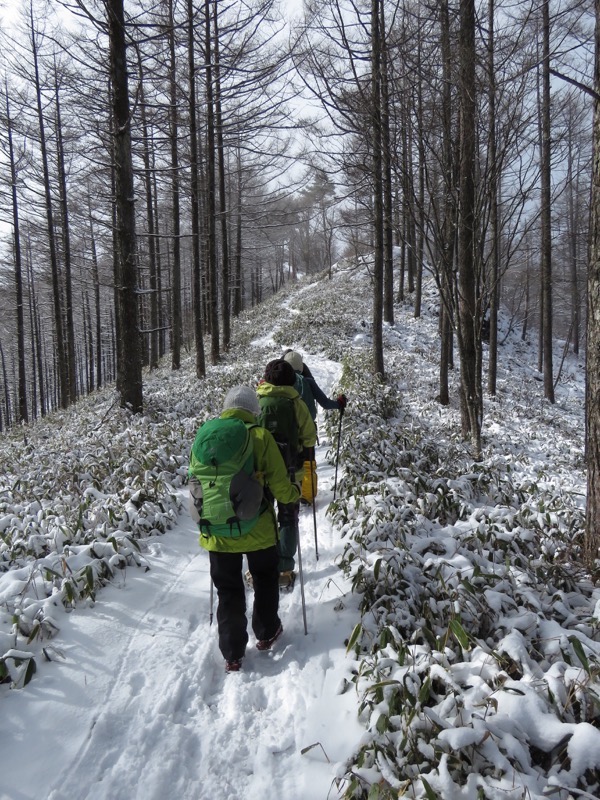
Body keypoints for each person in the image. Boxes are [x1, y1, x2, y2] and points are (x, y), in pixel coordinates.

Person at [188, 385, 300, 673]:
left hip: (216, 533)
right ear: (254, 411)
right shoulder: (260, 436)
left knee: (228, 590)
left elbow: (196, 483)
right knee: (264, 578)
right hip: (257, 529)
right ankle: (266, 633)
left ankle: (232, 653)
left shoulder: (205, 437)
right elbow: (278, 483)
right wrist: (293, 495)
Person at [256, 359, 317, 587]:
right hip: (291, 472)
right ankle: (284, 569)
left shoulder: (257, 401)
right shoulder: (295, 403)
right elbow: (310, 437)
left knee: (261, 518)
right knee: (288, 519)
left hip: (260, 474)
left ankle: (260, 568)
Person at [283, 350, 347, 503]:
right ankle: (307, 494)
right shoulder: (308, 382)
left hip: (287, 430)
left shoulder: (281, 383)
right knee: (308, 462)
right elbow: (325, 404)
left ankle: (290, 491)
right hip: (308, 429)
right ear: (301, 365)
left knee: (288, 461)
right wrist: (339, 403)